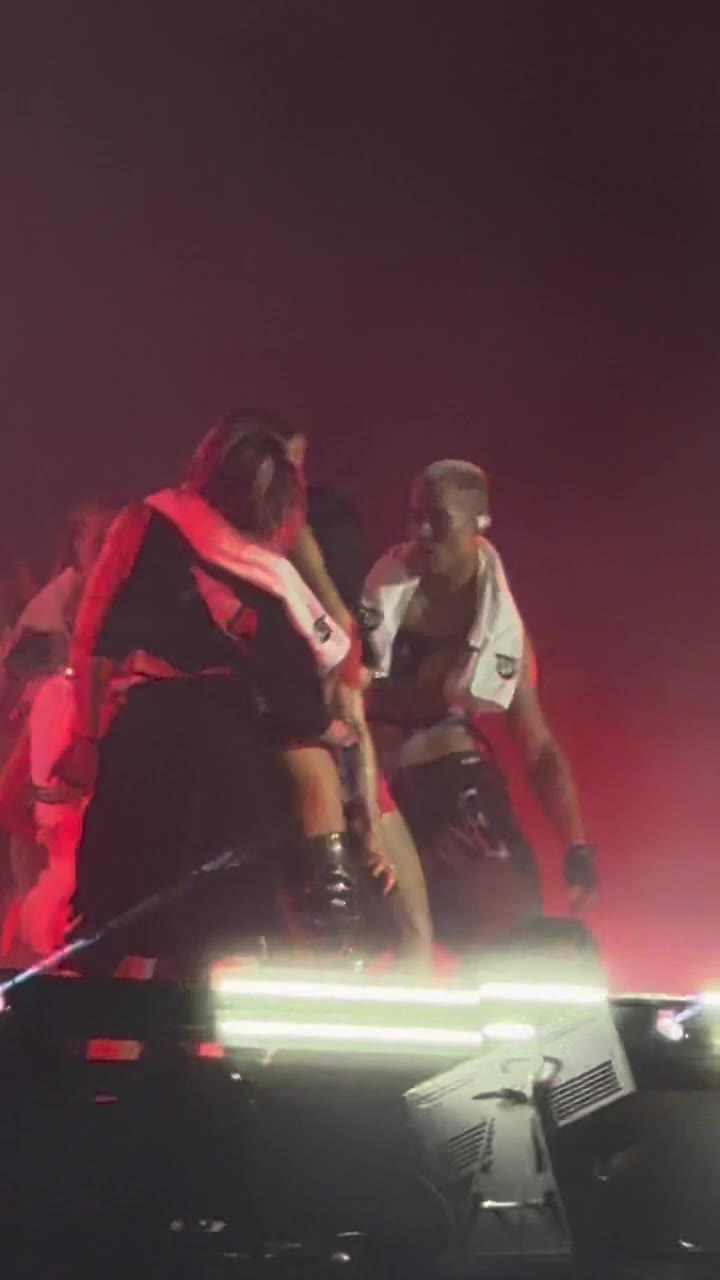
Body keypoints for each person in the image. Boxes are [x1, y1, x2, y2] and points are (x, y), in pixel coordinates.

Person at [51, 421, 386, 976]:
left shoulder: (160, 527)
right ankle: (337, 945)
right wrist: (321, 727)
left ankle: (137, 1018)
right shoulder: (178, 532)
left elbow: (94, 638)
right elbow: (96, 637)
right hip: (204, 739)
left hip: (178, 736)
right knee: (175, 922)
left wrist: (87, 738)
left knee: (155, 925)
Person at [362, 459, 597, 952]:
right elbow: (339, 702)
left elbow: (538, 748)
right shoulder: (376, 597)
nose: (422, 533)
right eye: (414, 517)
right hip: (373, 785)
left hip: (454, 788)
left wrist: (576, 846)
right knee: (377, 935)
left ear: (477, 525)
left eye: (438, 520)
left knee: (508, 925)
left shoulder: (503, 636)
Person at [275, 426, 433, 964]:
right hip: (293, 771)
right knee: (322, 937)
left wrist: (367, 817)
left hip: (344, 762)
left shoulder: (338, 614)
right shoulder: (268, 575)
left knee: (413, 926)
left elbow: (355, 721)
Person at [0, 502, 114, 960]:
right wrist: (51, 842)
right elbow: (9, 800)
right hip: (54, 871)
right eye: (98, 539)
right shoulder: (55, 695)